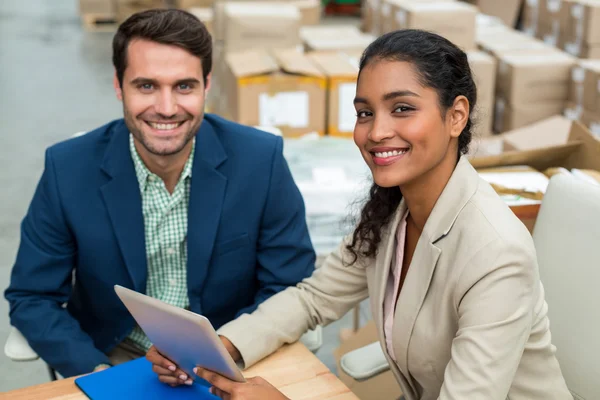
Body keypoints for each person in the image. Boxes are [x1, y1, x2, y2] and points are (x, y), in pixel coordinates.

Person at [148, 29, 573, 399]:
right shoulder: (393, 211)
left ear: (455, 116)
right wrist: (219, 347)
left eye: (402, 108)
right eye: (365, 112)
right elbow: (313, 299)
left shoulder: (496, 253)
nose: (376, 131)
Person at [4, 9, 315, 379]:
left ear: (206, 85)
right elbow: (32, 297)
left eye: (183, 86)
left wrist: (224, 349)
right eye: (147, 86)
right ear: (119, 86)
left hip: (231, 357)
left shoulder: (260, 162)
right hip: (116, 359)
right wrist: (99, 371)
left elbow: (288, 286)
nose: (166, 109)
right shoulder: (67, 169)